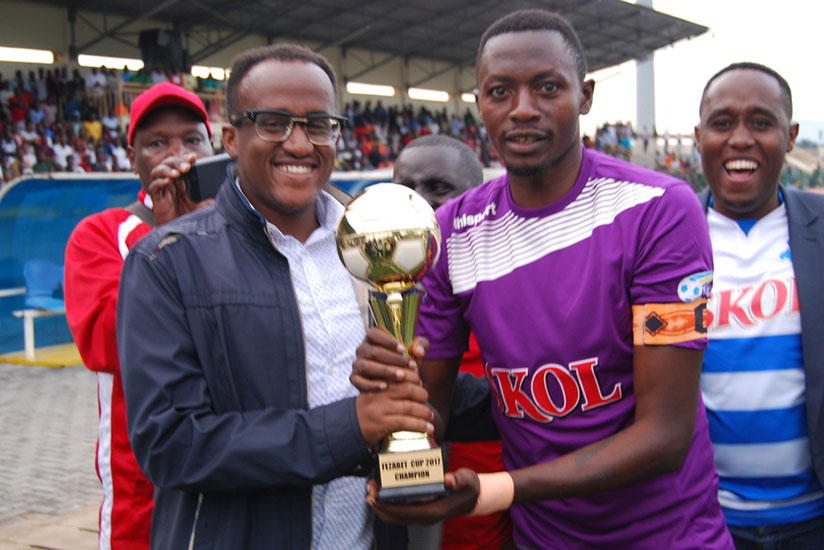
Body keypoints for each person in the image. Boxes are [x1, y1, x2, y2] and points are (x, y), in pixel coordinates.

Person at [351, 9, 733, 549]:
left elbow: (665, 436)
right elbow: (431, 410)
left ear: (586, 96)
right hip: (542, 539)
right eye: (499, 91)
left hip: (670, 538)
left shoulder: (658, 210)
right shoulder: (450, 232)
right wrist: (393, 392)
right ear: (479, 102)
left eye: (547, 87)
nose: (521, 109)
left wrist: (492, 491)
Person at [115, 44, 433, 549]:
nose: (300, 143)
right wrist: (351, 427)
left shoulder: (374, 249)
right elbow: (171, 444)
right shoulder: (166, 261)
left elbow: (402, 392)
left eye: (319, 124)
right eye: (273, 122)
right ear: (230, 139)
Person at [64, 82, 215, 550]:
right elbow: (107, 344)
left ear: (215, 148)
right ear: (134, 160)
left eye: (193, 139)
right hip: (143, 478)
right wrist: (171, 241)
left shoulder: (249, 227)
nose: (179, 154)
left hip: (245, 460)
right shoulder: (101, 234)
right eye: (157, 143)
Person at [695, 62, 824, 549]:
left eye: (762, 122)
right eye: (723, 123)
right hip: (706, 520)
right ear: (699, 135)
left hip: (814, 521)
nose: (741, 139)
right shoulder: (663, 239)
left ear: (790, 136)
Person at [394, 134, 514, 550]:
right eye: (405, 189)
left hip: (519, 483)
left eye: (438, 188)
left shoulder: (513, 275)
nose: (418, 201)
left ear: (477, 196)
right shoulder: (374, 285)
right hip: (435, 485)